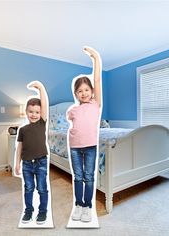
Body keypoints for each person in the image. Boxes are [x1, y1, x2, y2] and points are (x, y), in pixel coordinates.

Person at [67, 46, 102, 222]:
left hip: (90, 147)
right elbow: (71, 121)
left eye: (86, 90)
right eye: (80, 91)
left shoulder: (96, 104)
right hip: (74, 147)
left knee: (89, 177)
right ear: (76, 94)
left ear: (92, 91)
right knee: (78, 177)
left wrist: (95, 59)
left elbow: (96, 79)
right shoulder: (72, 110)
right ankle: (78, 205)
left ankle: (88, 207)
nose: (84, 93)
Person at [15, 81, 48, 224]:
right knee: (28, 188)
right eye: (31, 112)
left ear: (40, 114)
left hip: (41, 162)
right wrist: (17, 163)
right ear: (26, 112)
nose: (34, 115)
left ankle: (43, 212)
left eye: (37, 112)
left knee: (42, 188)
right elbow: (19, 148)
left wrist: (40, 88)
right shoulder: (22, 130)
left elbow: (45, 104)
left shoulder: (42, 123)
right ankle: (28, 211)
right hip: (27, 164)